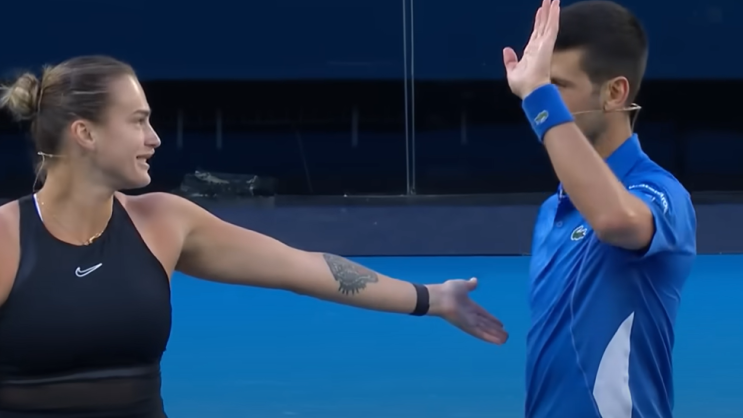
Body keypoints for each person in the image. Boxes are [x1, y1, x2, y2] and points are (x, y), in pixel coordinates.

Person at [0, 56, 508, 418]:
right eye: (138, 122)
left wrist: (433, 298)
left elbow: (303, 267)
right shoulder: (7, 238)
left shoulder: (163, 222)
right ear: (85, 134)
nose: (154, 138)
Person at [502, 1, 696, 417]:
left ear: (614, 93)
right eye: (542, 86)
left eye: (557, 86)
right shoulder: (551, 209)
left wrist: (537, 97)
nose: (542, 97)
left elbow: (613, 219)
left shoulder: (661, 192)